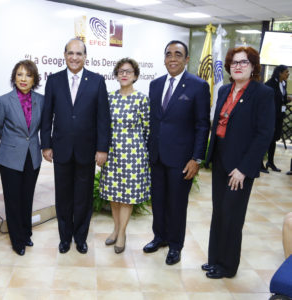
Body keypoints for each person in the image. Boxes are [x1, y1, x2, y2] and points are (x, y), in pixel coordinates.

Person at [202, 47, 274, 279]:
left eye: (244, 62)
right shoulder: (224, 90)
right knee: (219, 212)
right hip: (220, 159)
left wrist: (244, 169)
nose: (238, 66)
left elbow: (264, 134)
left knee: (232, 215)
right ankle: (214, 259)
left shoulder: (262, 93)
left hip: (240, 166)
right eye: (234, 62)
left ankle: (227, 266)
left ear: (253, 67)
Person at [41, 38, 111, 254]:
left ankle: (80, 237)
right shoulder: (54, 80)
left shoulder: (97, 81)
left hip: (87, 150)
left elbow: (103, 118)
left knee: (83, 196)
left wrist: (102, 148)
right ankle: (64, 238)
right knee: (63, 197)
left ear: (85, 57)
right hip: (61, 149)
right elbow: (46, 116)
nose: (74, 57)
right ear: (64, 55)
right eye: (70, 53)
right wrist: (46, 144)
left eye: (79, 53)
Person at [144, 40, 210, 265]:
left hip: (182, 159)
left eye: (178, 54)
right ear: (164, 58)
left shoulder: (198, 86)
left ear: (186, 59)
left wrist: (196, 158)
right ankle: (159, 237)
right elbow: (154, 121)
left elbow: (202, 125)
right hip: (157, 157)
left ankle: (175, 245)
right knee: (159, 201)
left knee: (177, 203)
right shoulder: (155, 84)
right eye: (169, 54)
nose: (172, 58)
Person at [0, 60, 44, 256]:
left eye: (28, 75)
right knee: (13, 199)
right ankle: (16, 239)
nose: (23, 79)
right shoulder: (4, 100)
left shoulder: (42, 99)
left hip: (33, 156)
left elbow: (41, 128)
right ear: (14, 77)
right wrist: (13, 143)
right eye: (19, 74)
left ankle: (26, 232)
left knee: (27, 197)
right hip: (11, 156)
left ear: (34, 79)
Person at [99, 58, 150, 254]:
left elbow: (147, 129)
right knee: (114, 195)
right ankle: (115, 228)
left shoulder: (142, 99)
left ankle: (122, 233)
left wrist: (140, 151)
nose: (124, 74)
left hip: (134, 155)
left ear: (135, 75)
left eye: (128, 71)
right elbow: (103, 126)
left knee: (127, 196)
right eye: (121, 71)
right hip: (112, 154)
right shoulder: (109, 98)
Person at [262, 65, 289, 172]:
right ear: (280, 73)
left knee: (274, 140)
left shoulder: (284, 83)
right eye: (286, 72)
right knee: (266, 139)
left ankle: (270, 162)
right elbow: (267, 101)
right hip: (270, 116)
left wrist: (286, 100)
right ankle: (259, 164)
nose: (288, 74)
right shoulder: (270, 84)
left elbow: (281, 98)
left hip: (279, 117)